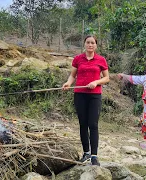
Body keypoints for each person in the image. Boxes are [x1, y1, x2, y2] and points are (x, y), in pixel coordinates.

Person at [62, 35, 109, 166]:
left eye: (92, 43)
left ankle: (94, 156)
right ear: (84, 44)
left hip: (94, 95)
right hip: (80, 94)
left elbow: (106, 78)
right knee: (83, 124)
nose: (90, 45)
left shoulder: (101, 59)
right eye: (88, 42)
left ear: (96, 45)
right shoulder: (78, 59)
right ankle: (86, 153)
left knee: (93, 124)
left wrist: (96, 82)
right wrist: (68, 83)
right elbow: (73, 75)